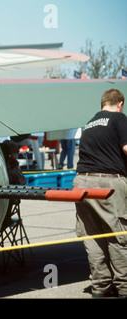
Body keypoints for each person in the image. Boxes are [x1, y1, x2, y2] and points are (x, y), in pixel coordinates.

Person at [73, 89, 127, 298]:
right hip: (108, 183)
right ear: (120, 104)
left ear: (102, 104)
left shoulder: (89, 123)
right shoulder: (119, 118)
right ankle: (124, 288)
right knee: (118, 236)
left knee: (93, 236)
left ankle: (100, 287)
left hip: (81, 183)